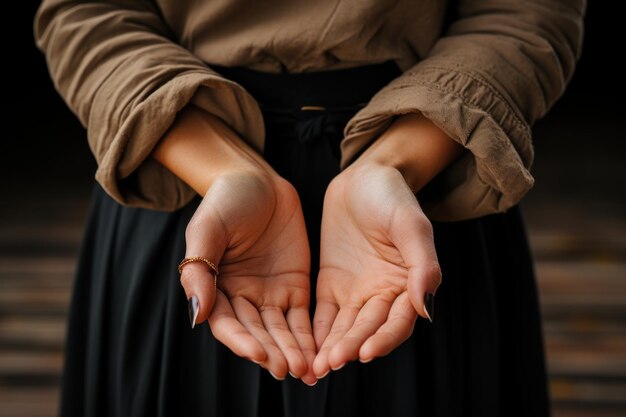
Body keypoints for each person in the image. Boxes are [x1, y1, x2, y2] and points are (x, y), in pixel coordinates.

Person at [35, 1, 585, 416]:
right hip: (181, 183)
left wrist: (394, 163)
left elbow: (526, 12)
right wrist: (224, 170)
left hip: (428, 189)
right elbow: (86, 14)